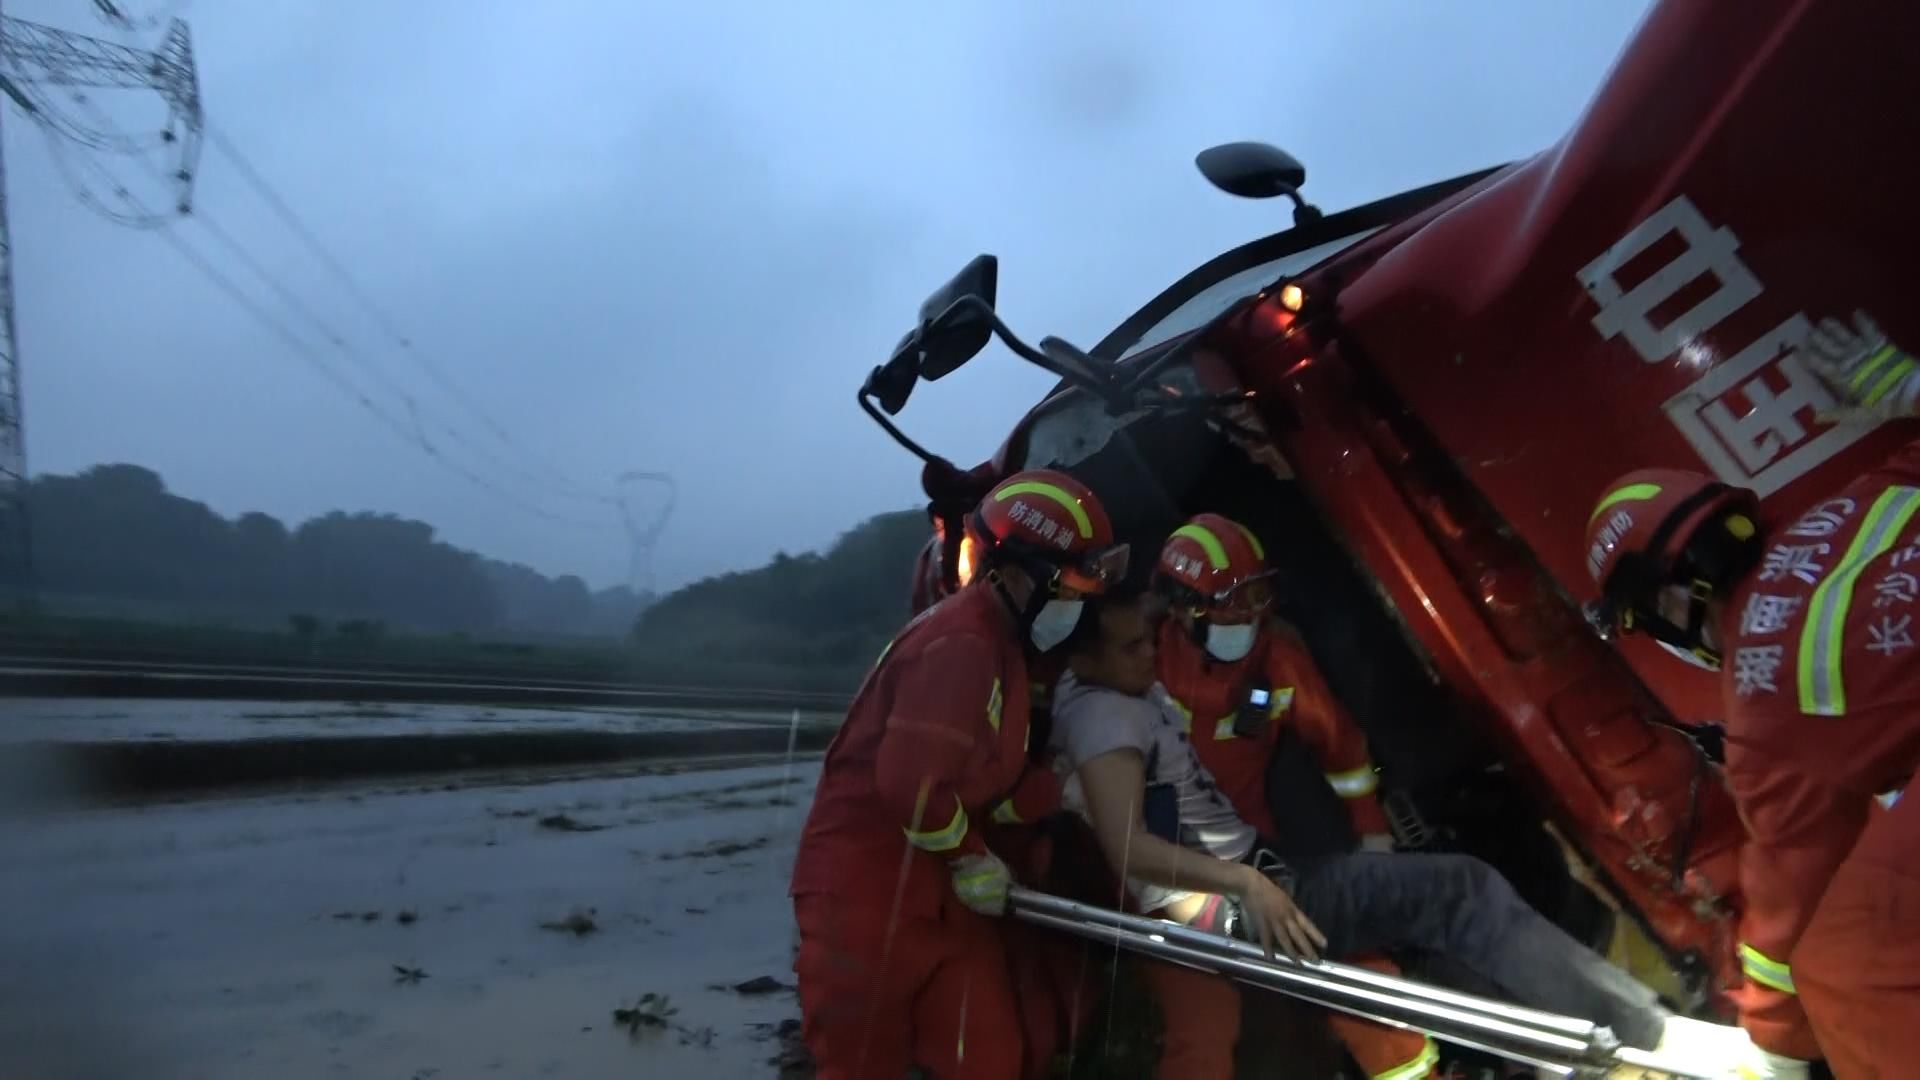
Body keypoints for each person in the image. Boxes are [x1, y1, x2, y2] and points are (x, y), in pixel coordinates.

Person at [1049, 586, 1749, 1080]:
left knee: (1424, 927)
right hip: (1237, 905)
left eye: (1148, 637)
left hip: (1253, 880)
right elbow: (1130, 847)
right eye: (1130, 647)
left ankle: (1551, 1056)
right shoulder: (1108, 719)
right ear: (1084, 658)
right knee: (1460, 893)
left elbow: (1301, 734)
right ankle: (1653, 1037)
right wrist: (1246, 882)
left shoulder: (1150, 684)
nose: (1145, 652)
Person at [1582, 309, 1920, 1080]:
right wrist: (1904, 387)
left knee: (1852, 972)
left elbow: (1786, 917)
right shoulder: (1866, 500)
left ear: (1671, 604)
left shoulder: (1766, 699)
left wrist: (1772, 1055)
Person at [789, 468, 1130, 1080]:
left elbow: (984, 786)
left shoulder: (1006, 651)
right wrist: (972, 858)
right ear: (1018, 573)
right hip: (866, 897)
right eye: (1070, 591)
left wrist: (1061, 794)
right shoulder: (962, 645)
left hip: (937, 897)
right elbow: (911, 787)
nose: (1076, 609)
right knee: (862, 1066)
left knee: (991, 1058)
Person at [1152, 512, 1439, 1080]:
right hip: (1156, 864)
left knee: (1350, 960)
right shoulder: (1136, 660)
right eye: (1233, 603)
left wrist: (1372, 838)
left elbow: (1341, 749)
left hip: (1250, 853)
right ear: (1184, 609)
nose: (1249, 618)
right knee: (1203, 1024)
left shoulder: (1277, 659)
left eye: (1257, 598)